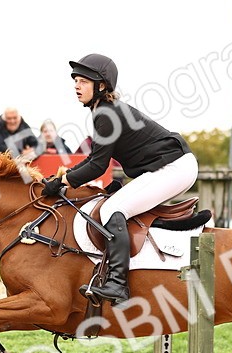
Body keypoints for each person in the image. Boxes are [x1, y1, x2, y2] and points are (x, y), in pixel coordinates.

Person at [40, 53, 198, 305]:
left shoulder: (106, 113)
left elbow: (97, 166)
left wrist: (63, 182)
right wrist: (65, 177)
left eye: (82, 81)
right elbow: (95, 159)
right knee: (116, 202)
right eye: (75, 81)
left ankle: (118, 284)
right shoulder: (104, 111)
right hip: (171, 166)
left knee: (113, 208)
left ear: (101, 85)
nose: (76, 86)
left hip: (174, 167)